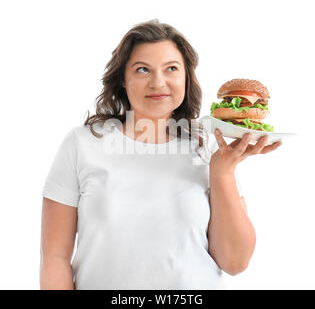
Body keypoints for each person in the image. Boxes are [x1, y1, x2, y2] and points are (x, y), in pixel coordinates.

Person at [40, 19, 282, 290]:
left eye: (171, 69)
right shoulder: (82, 143)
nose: (158, 82)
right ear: (123, 78)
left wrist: (222, 172)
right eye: (143, 69)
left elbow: (235, 262)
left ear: (186, 77)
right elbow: (55, 257)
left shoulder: (210, 145)